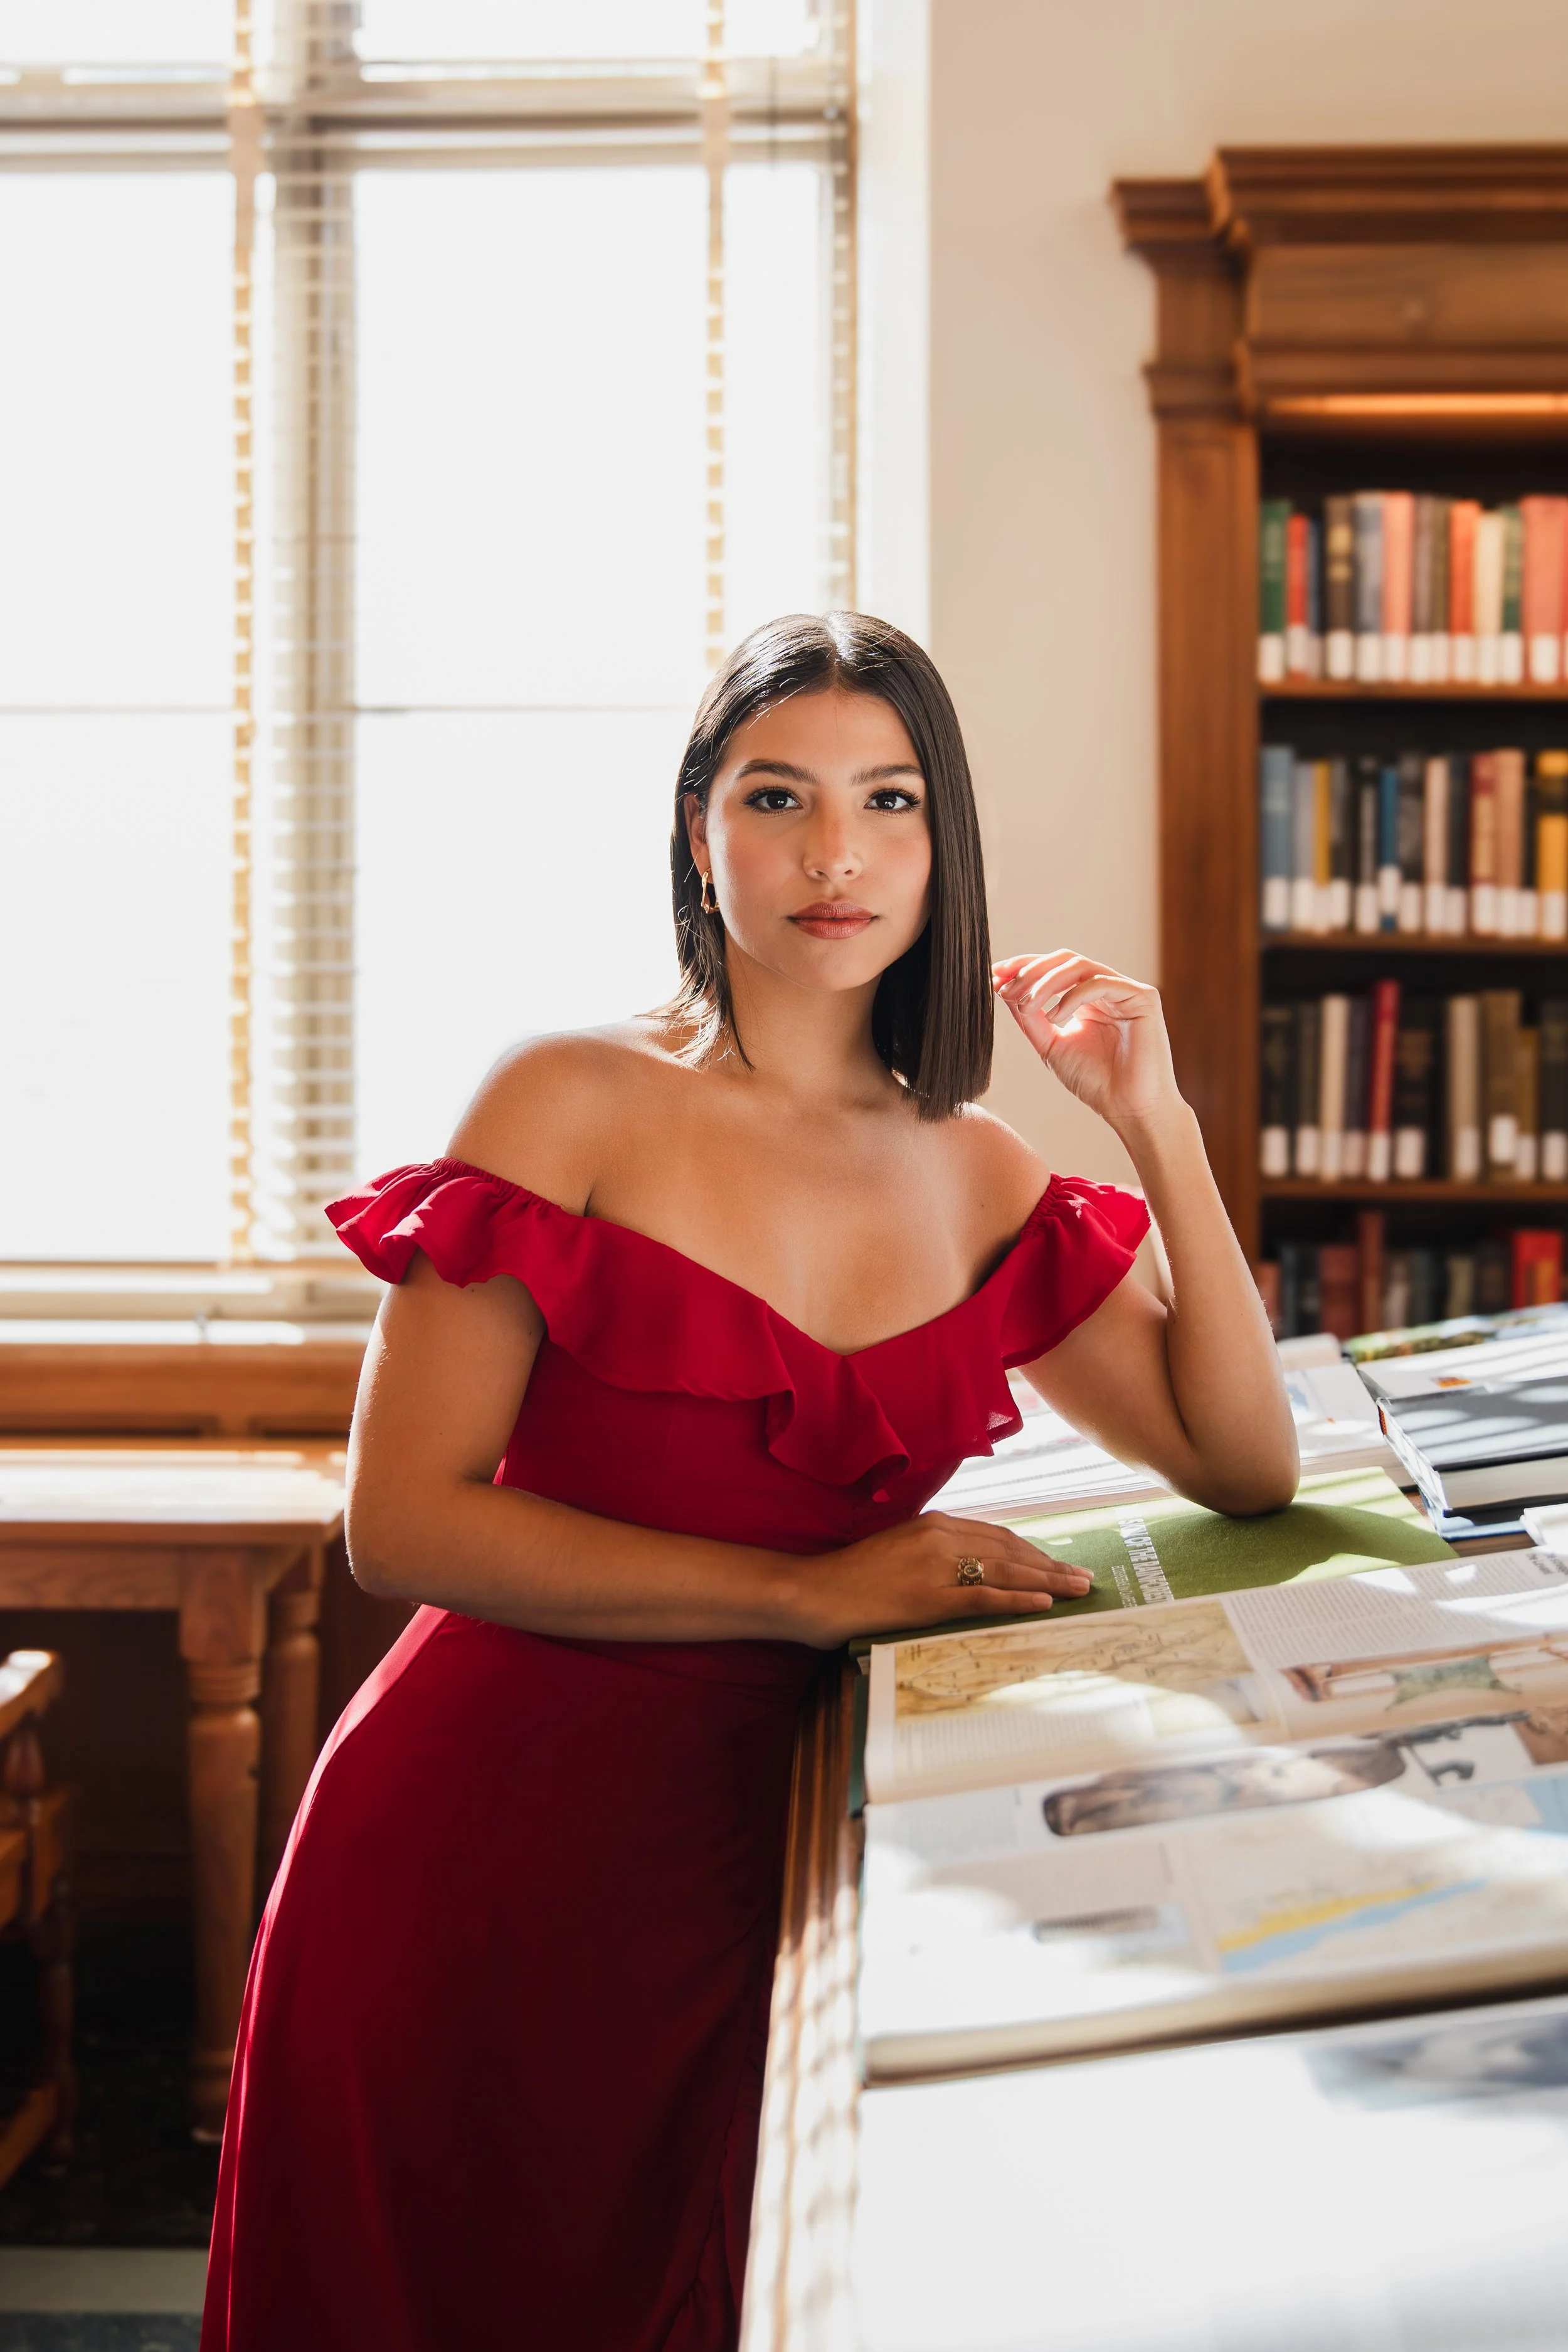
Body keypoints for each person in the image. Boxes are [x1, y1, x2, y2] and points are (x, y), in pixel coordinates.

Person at [201, 612, 1296, 2351]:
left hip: (776, 1854)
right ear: (695, 835)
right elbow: (399, 1525)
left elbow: (1242, 1460)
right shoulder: (567, 1098)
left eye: (891, 800)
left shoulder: (980, 1170)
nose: (834, 852)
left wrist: (1153, 1123)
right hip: (480, 1851)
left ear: (948, 849)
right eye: (775, 795)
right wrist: (804, 1592)